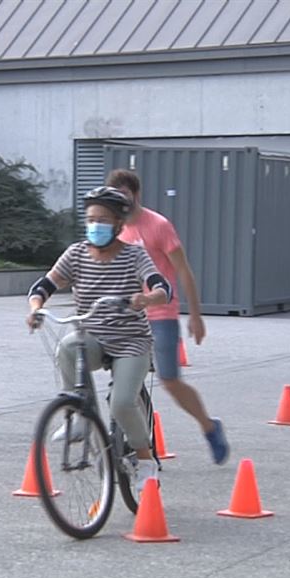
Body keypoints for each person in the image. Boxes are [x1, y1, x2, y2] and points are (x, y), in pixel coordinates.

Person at [27, 186, 172, 489]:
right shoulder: (77, 253)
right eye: (91, 219)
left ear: (119, 225)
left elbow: (161, 287)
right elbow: (45, 285)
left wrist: (146, 299)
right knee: (67, 348)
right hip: (93, 335)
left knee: (121, 403)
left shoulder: (134, 255)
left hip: (131, 340)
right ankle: (80, 415)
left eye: (103, 220)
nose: (96, 226)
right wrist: (36, 308)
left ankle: (145, 459)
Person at [108, 168, 230, 465]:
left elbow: (183, 269)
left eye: (125, 195)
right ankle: (137, 447)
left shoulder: (158, 225)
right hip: (129, 315)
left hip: (161, 312)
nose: (121, 202)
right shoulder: (115, 228)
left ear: (136, 195)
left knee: (170, 380)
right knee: (124, 382)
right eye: (115, 197)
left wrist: (196, 315)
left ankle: (209, 426)